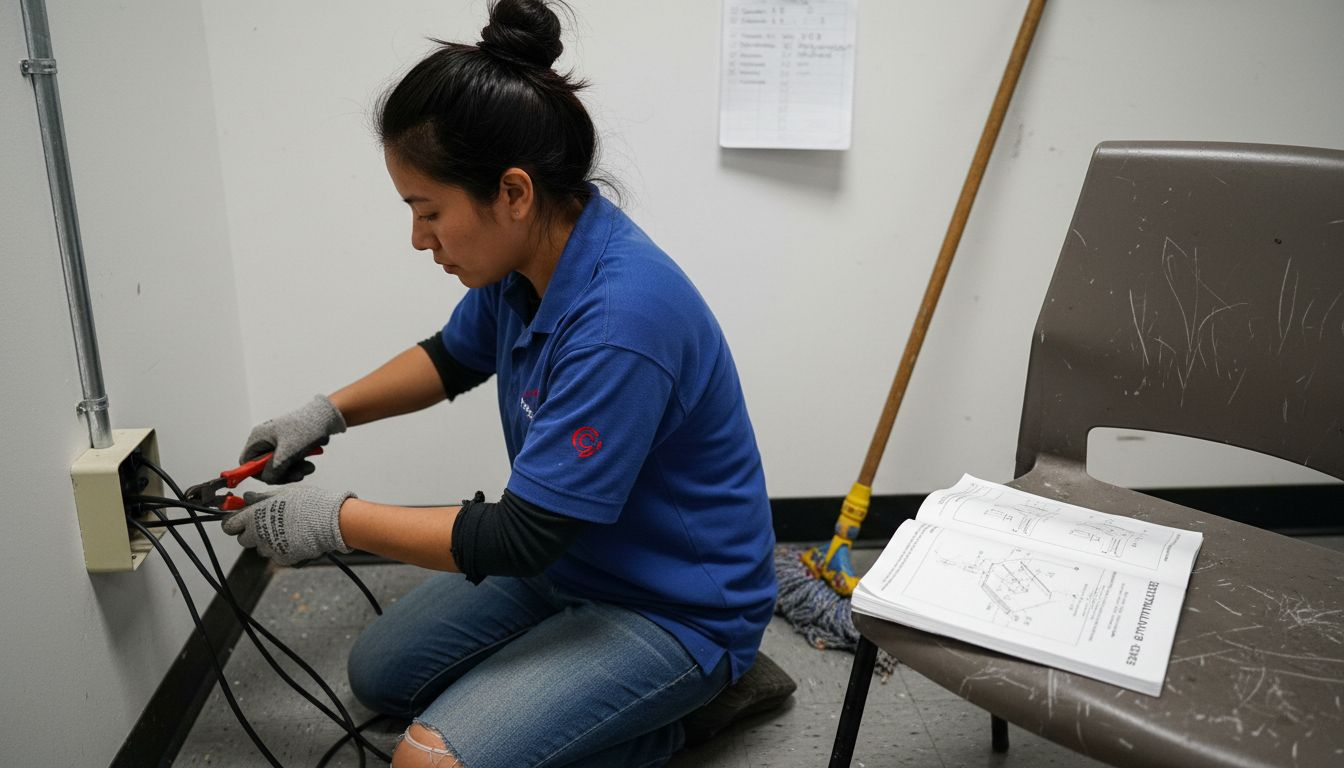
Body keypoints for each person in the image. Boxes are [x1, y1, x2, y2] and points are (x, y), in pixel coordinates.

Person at [221, 1, 779, 766]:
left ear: (512, 192)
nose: (419, 238)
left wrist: (336, 520)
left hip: (675, 605)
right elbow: (451, 358)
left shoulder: (621, 320)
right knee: (381, 675)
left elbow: (520, 536)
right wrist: (325, 413)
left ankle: (700, 701)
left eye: (428, 211)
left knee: (424, 759)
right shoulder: (532, 259)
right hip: (572, 563)